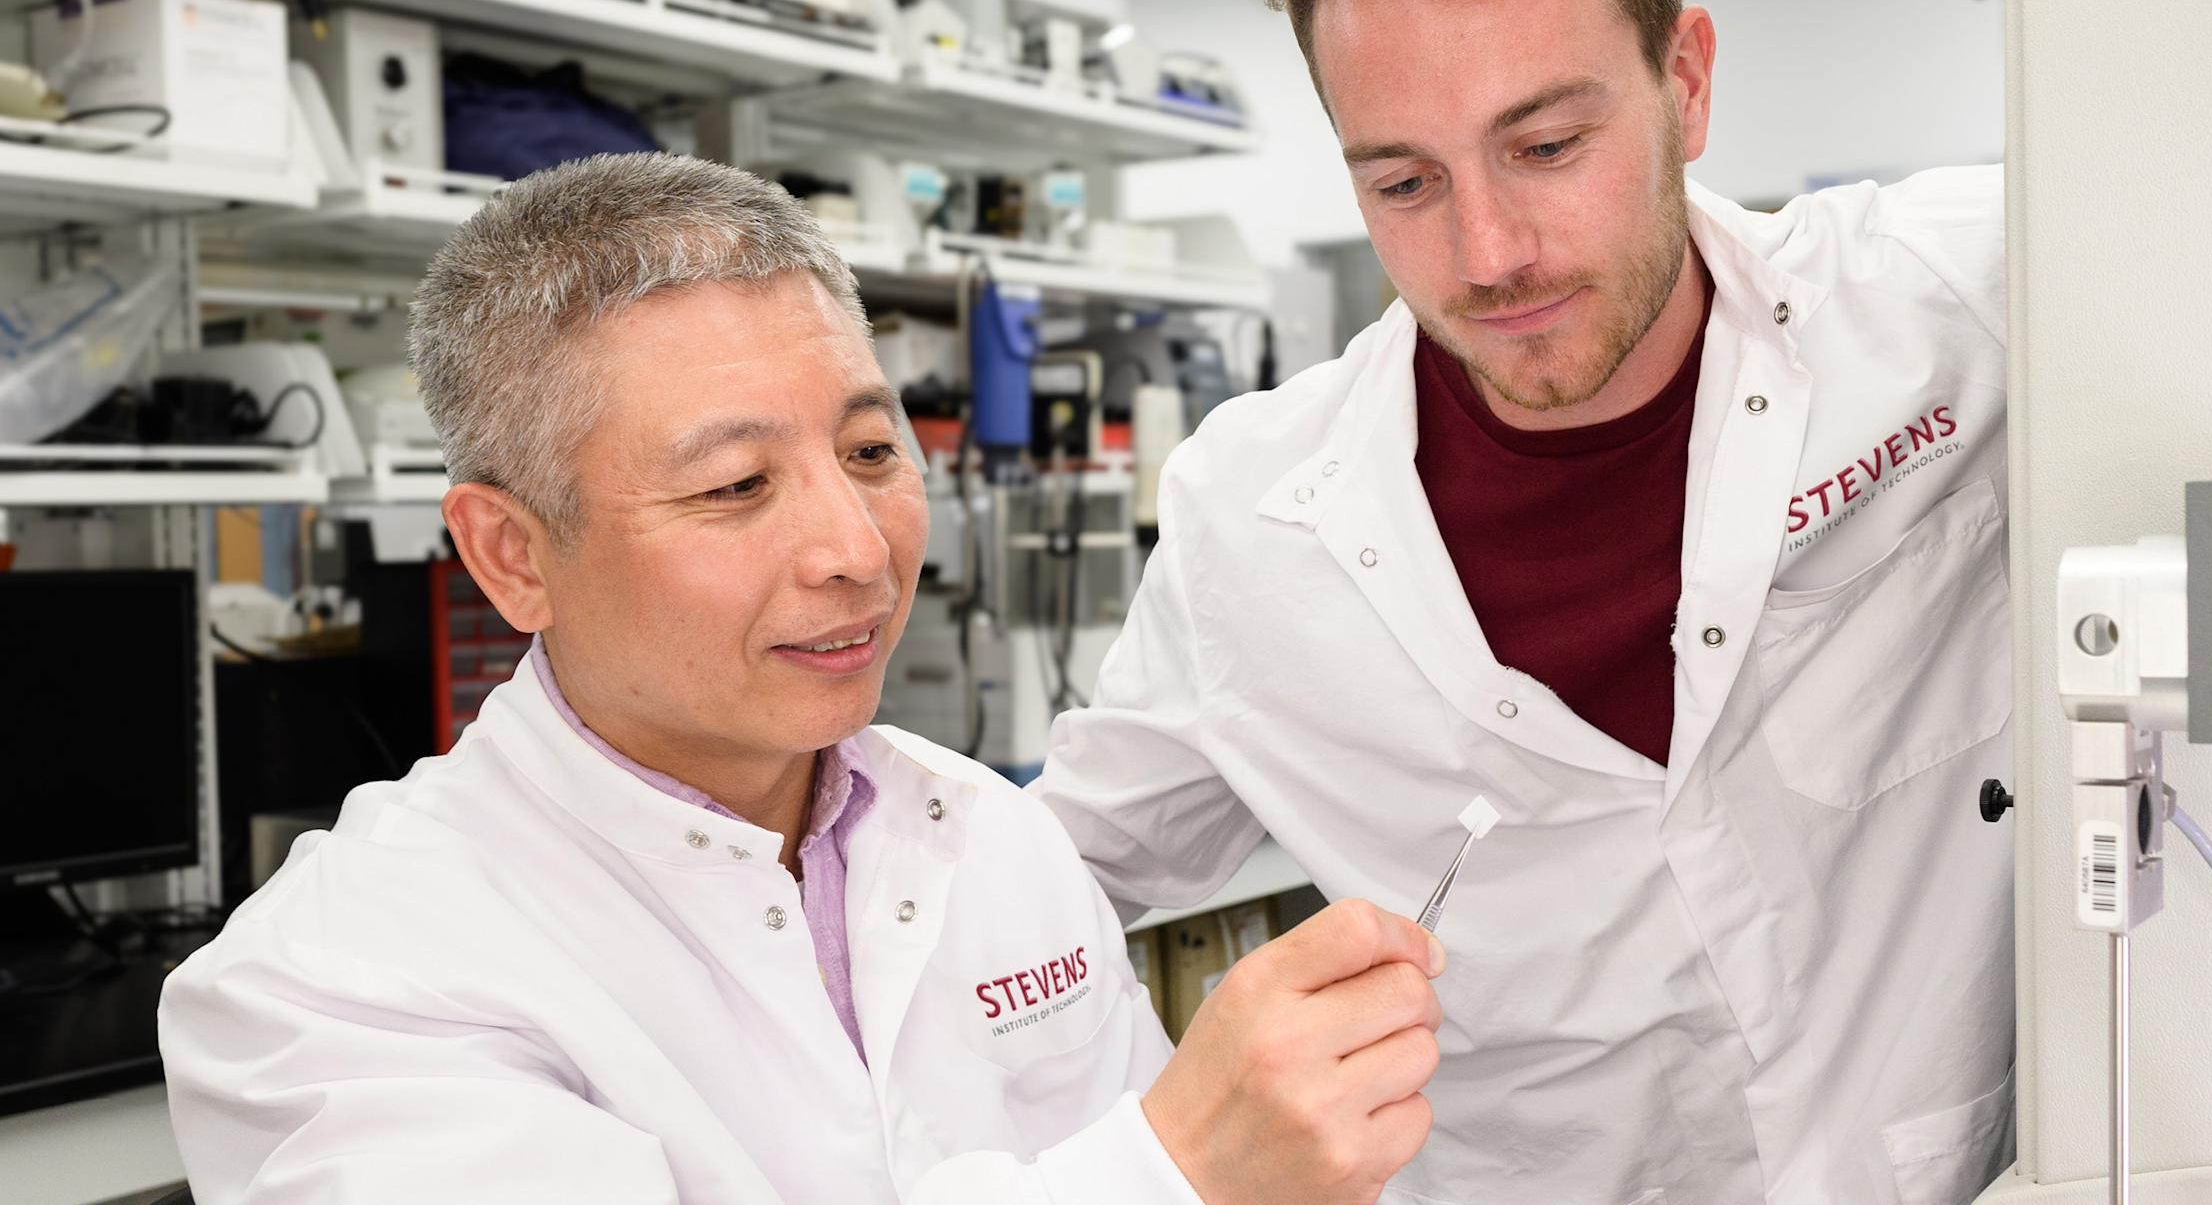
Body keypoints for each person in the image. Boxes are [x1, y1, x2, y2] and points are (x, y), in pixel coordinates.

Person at [157, 153, 1447, 1205]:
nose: (854, 550)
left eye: (872, 449)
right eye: (734, 487)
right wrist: (1171, 1172)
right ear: (512, 555)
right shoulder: (336, 986)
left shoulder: (992, 840)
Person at [1032, 0, 2010, 1202]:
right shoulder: (1250, 524)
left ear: (1688, 81)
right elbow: (1042, 885)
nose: (1489, 252)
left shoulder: (1952, 307)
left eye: (1546, 146)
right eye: (1404, 182)